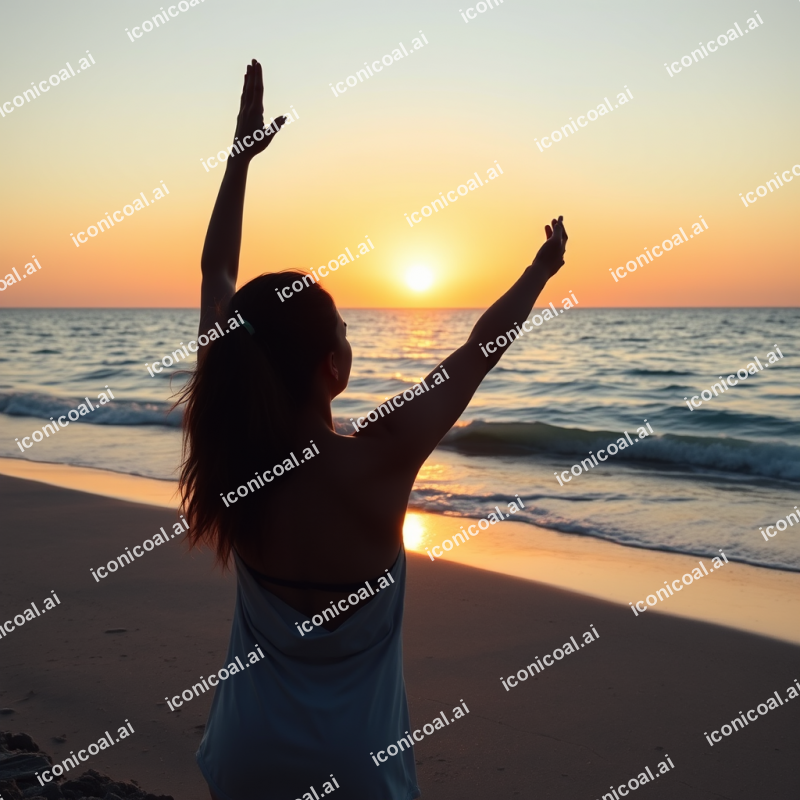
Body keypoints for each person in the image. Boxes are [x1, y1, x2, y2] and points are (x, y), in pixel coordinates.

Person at [180, 59, 568, 800]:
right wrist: (539, 271)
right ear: (331, 367)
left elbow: (216, 276)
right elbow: (475, 355)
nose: (352, 337)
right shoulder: (380, 464)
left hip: (246, 757)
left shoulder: (235, 456)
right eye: (346, 331)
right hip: (357, 773)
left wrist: (239, 161)